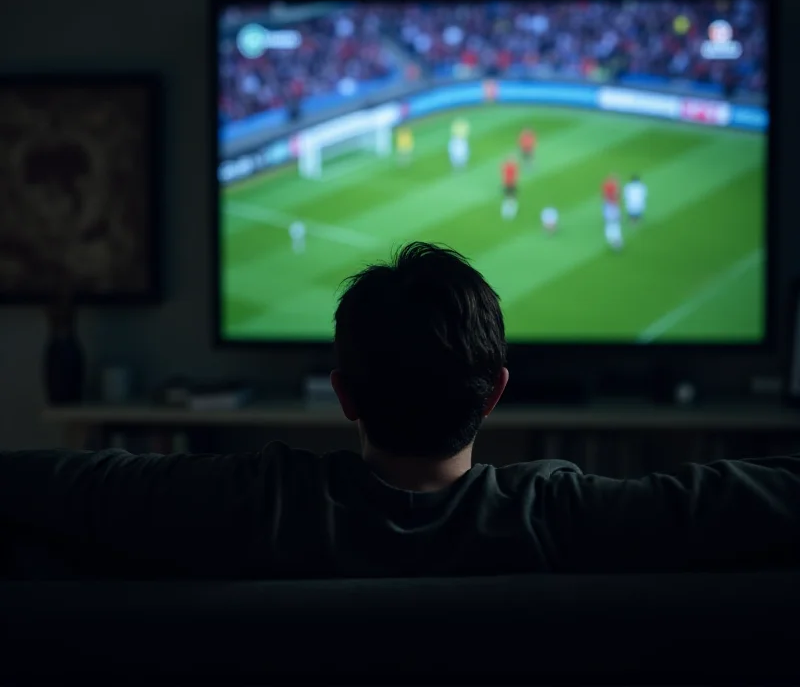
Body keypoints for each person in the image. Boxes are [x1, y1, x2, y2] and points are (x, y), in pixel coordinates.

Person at [1, 242, 799, 579]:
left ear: (343, 393)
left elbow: (77, 487)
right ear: (496, 392)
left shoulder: (253, 505)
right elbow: (737, 502)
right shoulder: (565, 519)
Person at [602, 175, 623, 250]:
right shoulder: (612, 202)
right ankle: (616, 243)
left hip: (610, 213)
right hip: (612, 213)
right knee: (614, 228)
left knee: (611, 228)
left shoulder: (608, 202)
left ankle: (615, 243)